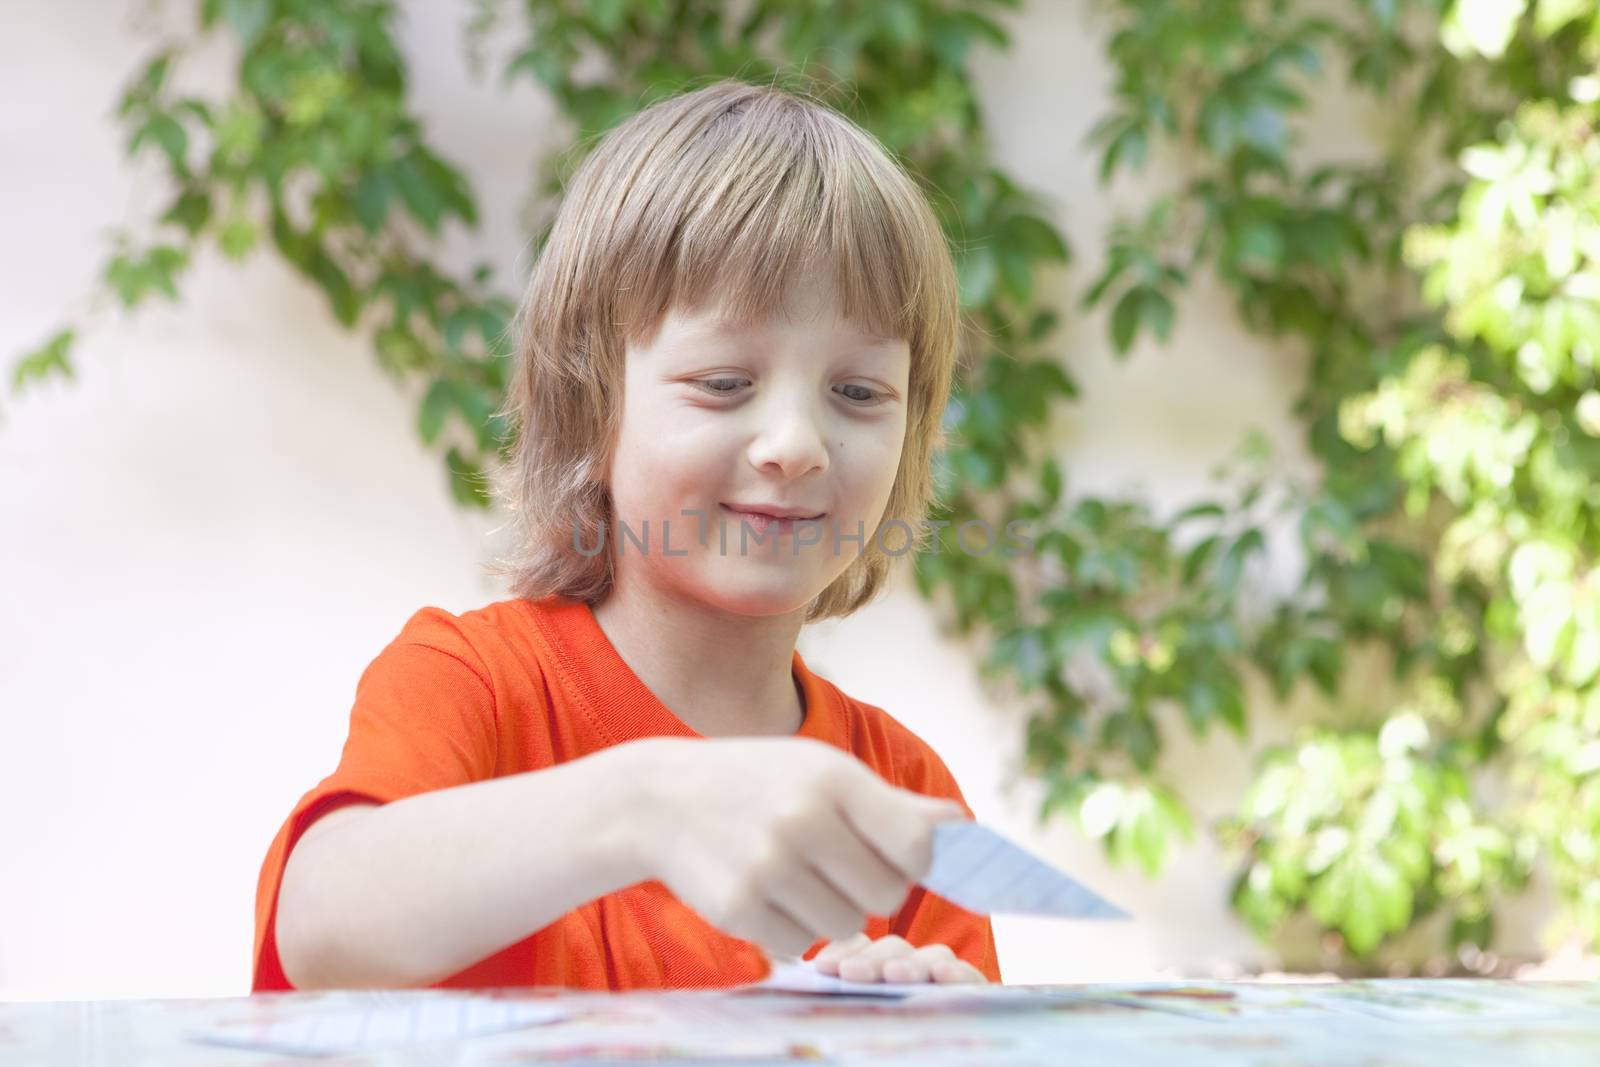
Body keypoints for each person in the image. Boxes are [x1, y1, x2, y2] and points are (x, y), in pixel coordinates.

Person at [252, 77, 1002, 993]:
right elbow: (321, 926)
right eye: (724, 381)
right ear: (588, 406)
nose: (798, 445)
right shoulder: (473, 685)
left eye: (858, 392)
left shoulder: (906, 797)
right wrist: (644, 801)